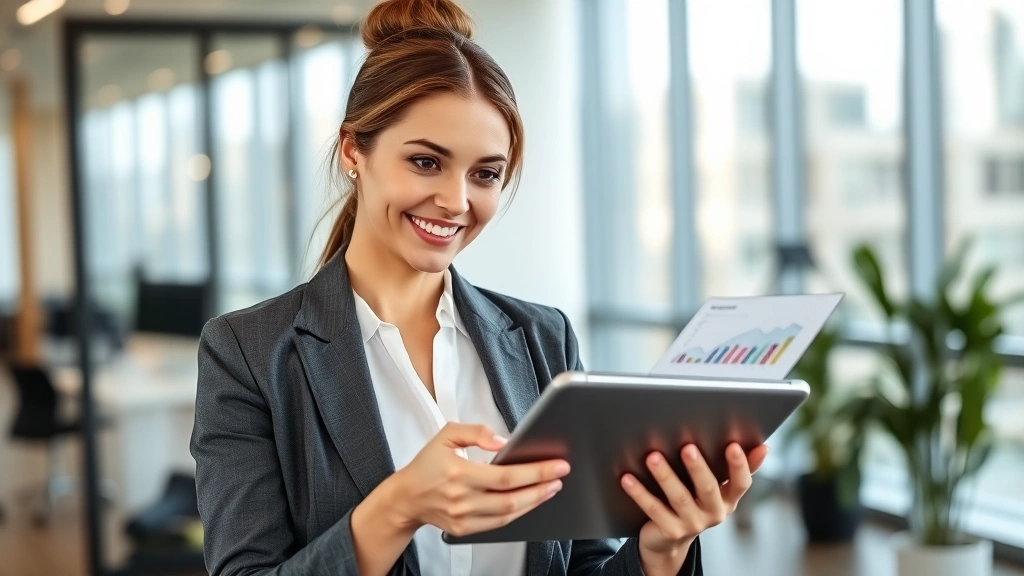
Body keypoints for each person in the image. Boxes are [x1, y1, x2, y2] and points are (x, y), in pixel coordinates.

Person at [190, 0, 769, 574]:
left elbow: (583, 565)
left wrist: (659, 551)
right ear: (352, 151)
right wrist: (397, 508)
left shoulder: (543, 338)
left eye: (485, 174)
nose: (456, 201)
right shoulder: (249, 353)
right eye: (424, 162)